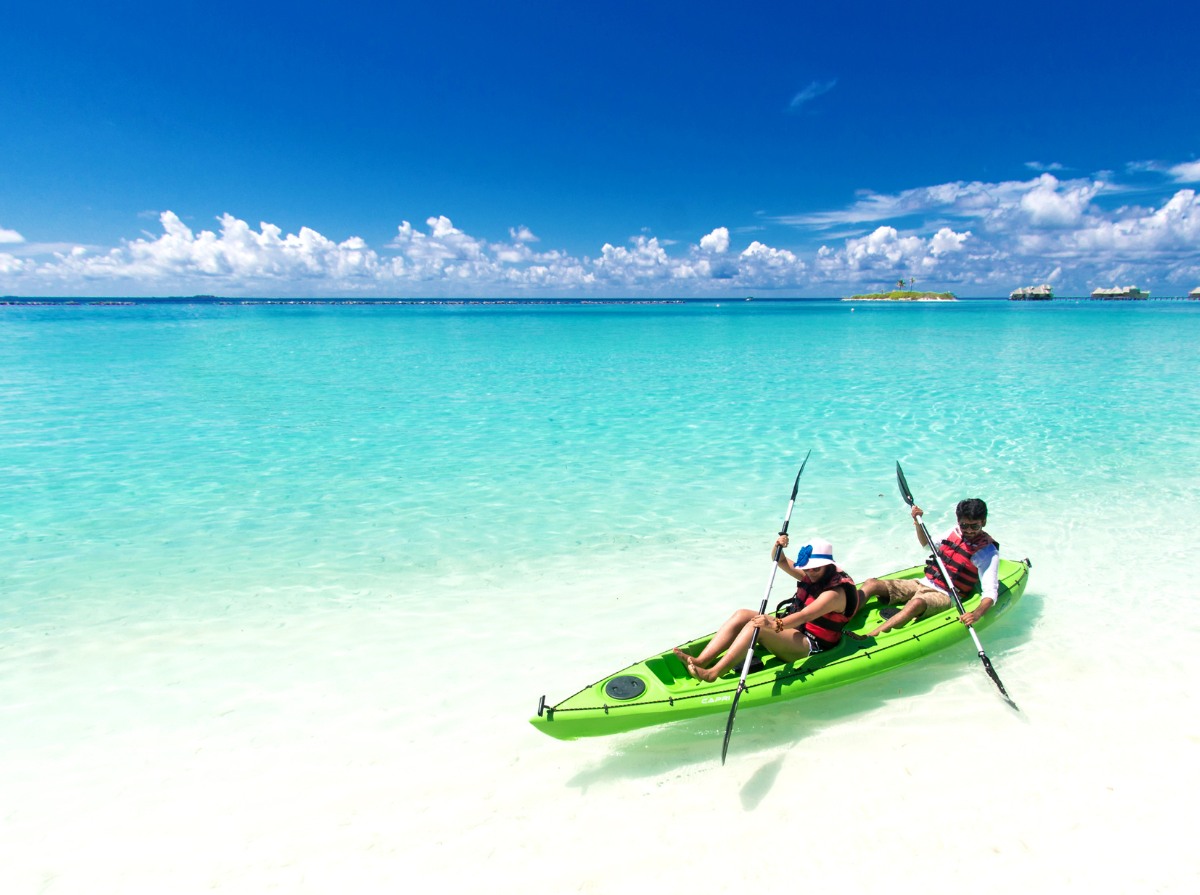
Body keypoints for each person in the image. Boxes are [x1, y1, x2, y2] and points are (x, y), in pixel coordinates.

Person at [673, 536, 859, 682]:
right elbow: (780, 561)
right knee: (742, 615)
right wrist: (778, 546)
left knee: (758, 626)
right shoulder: (815, 574)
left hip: (812, 645)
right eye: (808, 569)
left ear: (828, 565)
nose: (809, 573)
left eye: (814, 569)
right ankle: (701, 660)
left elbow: (804, 615)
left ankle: (713, 673)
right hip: (797, 630)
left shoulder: (834, 594)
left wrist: (773, 623)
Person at [862, 498, 999, 637]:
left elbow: (990, 592)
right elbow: (927, 545)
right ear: (958, 521)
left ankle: (869, 636)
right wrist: (918, 523)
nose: (969, 530)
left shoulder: (987, 552)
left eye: (974, 526)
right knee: (871, 584)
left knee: (915, 603)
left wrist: (976, 614)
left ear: (984, 522)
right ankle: (843, 618)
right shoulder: (954, 532)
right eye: (964, 525)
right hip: (923, 582)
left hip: (947, 595)